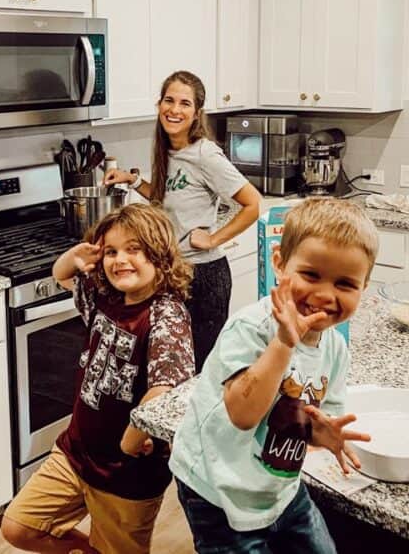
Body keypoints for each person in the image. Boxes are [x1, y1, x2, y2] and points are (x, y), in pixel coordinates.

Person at [169, 198, 376, 554]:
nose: (325, 294)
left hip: (278, 487)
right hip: (217, 488)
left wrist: (320, 432)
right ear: (280, 264)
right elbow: (243, 414)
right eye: (311, 275)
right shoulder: (251, 328)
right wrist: (284, 343)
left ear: (364, 288)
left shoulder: (336, 349)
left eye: (345, 284)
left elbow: (309, 420)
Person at [1, 203, 195, 554]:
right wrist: (75, 255)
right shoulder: (104, 297)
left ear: (160, 254)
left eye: (134, 249)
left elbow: (165, 389)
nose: (120, 259)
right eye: (111, 251)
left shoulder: (166, 313)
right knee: (18, 527)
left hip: (126, 476)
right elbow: (62, 274)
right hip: (76, 452)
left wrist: (131, 443)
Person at [103, 70, 261, 371]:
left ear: (196, 113)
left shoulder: (205, 154)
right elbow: (165, 198)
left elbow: (253, 204)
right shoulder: (167, 150)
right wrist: (133, 180)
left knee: (197, 371)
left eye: (185, 103)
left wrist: (214, 239)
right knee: (170, 368)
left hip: (203, 277)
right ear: (159, 103)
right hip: (173, 272)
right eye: (169, 100)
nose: (175, 110)